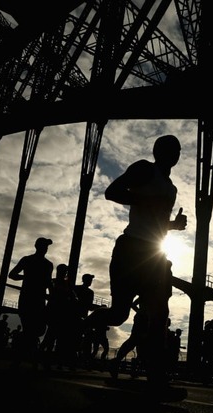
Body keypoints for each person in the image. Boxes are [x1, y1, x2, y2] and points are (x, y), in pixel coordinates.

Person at [84, 134, 188, 398]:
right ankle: (88, 322)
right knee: (119, 315)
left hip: (154, 255)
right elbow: (111, 192)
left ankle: (157, 377)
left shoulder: (172, 188)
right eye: (168, 149)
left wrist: (173, 226)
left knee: (159, 315)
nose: (173, 153)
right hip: (130, 249)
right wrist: (146, 201)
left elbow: (156, 222)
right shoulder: (144, 169)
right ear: (156, 151)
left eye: (177, 150)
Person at [8, 237, 54, 368]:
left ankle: (23, 358)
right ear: (37, 246)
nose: (45, 248)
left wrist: (52, 296)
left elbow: (49, 282)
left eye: (46, 246)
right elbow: (12, 275)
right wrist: (26, 276)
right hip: (30, 298)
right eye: (44, 246)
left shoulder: (47, 264)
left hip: (36, 299)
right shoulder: (28, 260)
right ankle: (27, 359)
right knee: (30, 329)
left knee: (33, 329)